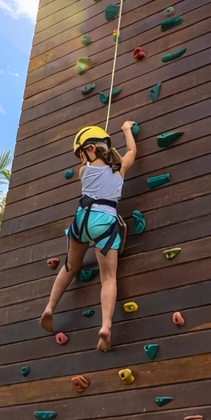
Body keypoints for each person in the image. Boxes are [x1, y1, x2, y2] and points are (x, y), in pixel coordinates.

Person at [40, 121, 138, 352]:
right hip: (104, 221)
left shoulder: (84, 172)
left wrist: (88, 159)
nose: (81, 160)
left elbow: (90, 165)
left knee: (70, 266)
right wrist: (126, 129)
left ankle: (50, 308)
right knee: (108, 278)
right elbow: (132, 151)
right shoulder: (121, 169)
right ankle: (105, 326)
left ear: (91, 149)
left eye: (81, 154)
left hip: (81, 220)